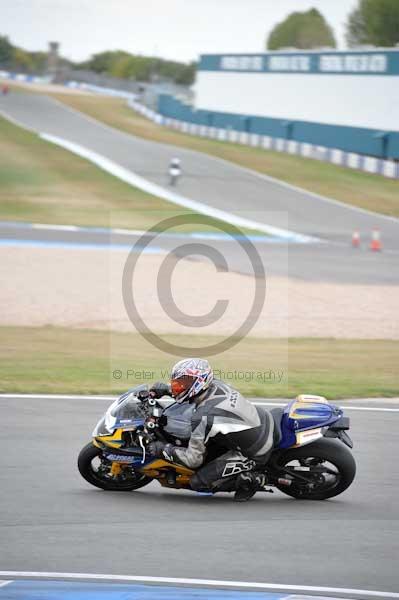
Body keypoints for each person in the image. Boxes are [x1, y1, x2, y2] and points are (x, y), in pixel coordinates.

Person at [148, 358, 275, 502]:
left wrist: (164, 449)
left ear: (199, 382)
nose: (178, 385)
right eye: (177, 382)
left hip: (255, 449)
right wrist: (167, 390)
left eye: (183, 382)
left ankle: (253, 480)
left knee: (198, 482)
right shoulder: (215, 384)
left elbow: (193, 460)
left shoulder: (203, 416)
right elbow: (190, 392)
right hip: (259, 420)